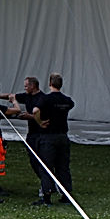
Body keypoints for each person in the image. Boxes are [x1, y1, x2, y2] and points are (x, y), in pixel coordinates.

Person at [32, 72, 75, 205]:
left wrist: (40, 122)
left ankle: (46, 196)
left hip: (48, 136)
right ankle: (66, 195)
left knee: (46, 167)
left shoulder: (46, 99)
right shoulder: (67, 100)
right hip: (62, 136)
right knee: (63, 167)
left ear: (50, 83)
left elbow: (35, 111)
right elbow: (71, 105)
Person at [10, 76, 50, 205]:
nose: (25, 88)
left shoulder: (43, 99)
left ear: (33, 86)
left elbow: (43, 117)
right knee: (33, 160)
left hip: (41, 134)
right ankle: (46, 183)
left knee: (42, 161)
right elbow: (12, 96)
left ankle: (47, 185)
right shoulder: (26, 96)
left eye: (26, 86)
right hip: (31, 134)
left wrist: (30, 116)